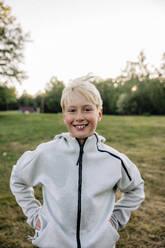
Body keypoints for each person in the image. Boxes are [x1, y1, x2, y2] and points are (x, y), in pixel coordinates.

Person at [10, 75, 145, 248]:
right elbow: (18, 179)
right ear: (64, 115)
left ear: (99, 113)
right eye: (72, 110)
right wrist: (34, 214)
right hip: (54, 242)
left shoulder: (114, 160)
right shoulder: (46, 153)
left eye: (87, 109)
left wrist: (116, 219)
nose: (79, 117)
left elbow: (136, 188)